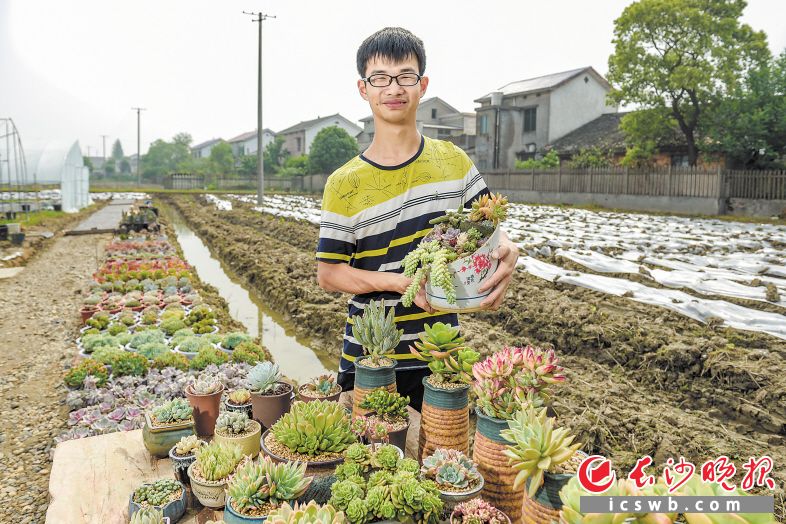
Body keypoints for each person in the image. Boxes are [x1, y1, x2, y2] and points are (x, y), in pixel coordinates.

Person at [316, 27, 519, 410]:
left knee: (440, 459)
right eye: (380, 79)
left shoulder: (454, 162)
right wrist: (401, 283)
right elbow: (329, 274)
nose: (393, 88)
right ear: (364, 88)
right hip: (370, 356)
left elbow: (491, 227)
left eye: (405, 77)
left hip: (441, 356)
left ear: (422, 85)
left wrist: (508, 249)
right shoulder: (343, 183)